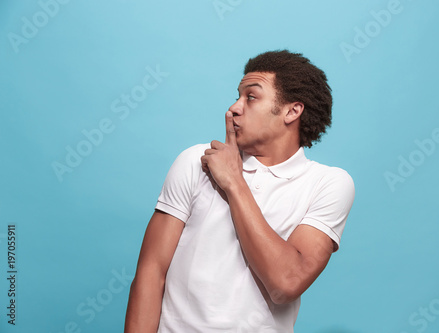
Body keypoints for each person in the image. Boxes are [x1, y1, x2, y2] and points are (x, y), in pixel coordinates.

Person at [124, 50, 355, 333]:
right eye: (237, 96)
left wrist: (234, 182)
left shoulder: (328, 183)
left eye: (251, 97)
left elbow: (286, 283)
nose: (233, 108)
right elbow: (150, 273)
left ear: (292, 111)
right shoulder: (196, 161)